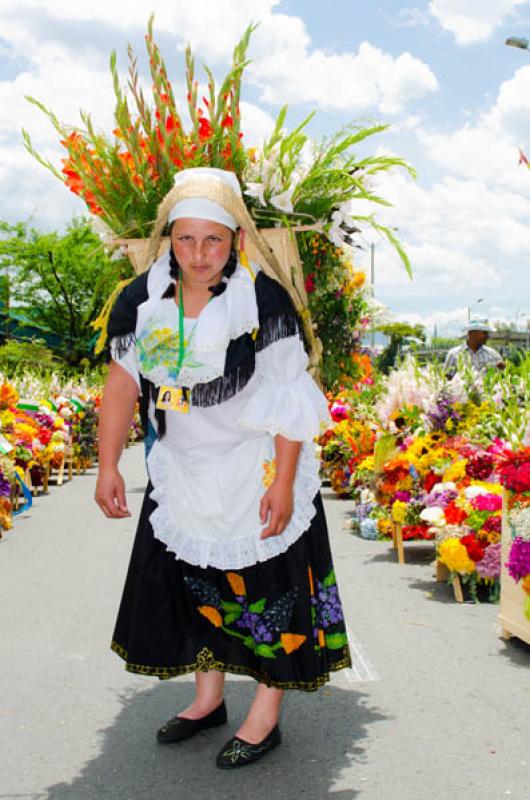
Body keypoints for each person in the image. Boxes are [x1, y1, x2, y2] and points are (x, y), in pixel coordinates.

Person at [95, 167, 351, 769]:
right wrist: (108, 465)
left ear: (236, 238)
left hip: (256, 467)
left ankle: (265, 716)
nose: (199, 255)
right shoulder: (142, 298)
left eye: (214, 240)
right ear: (168, 239)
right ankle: (207, 700)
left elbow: (290, 394)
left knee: (269, 592)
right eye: (186, 239)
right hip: (183, 469)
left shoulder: (262, 298)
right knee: (195, 585)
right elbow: (121, 385)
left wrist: (285, 483)